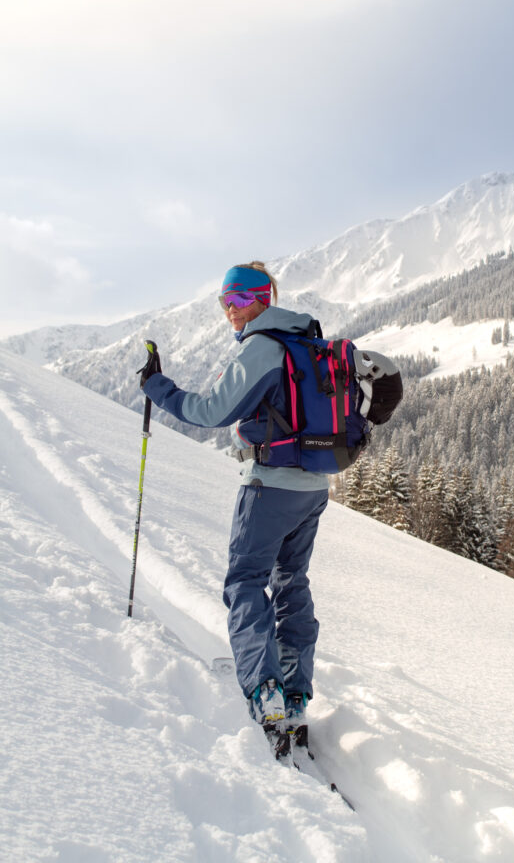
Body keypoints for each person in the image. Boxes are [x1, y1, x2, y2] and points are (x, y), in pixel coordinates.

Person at [139, 261, 329, 745]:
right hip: (312, 487)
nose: (230, 311)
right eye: (224, 302)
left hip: (269, 484)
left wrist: (157, 387)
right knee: (291, 581)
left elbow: (211, 411)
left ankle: (265, 690)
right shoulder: (304, 341)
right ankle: (295, 690)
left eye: (239, 300)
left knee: (245, 580)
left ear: (263, 298)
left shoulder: (263, 348)